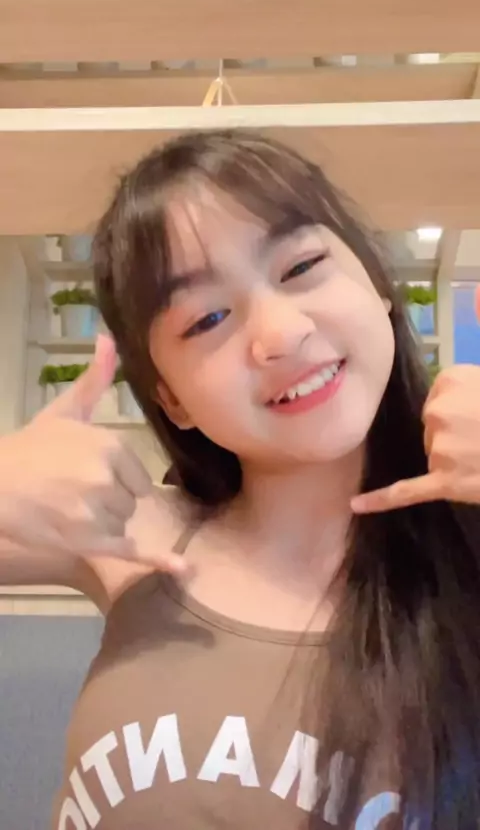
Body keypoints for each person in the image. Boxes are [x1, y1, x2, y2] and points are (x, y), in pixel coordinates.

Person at [1, 130, 480, 830]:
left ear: (379, 287)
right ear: (173, 399)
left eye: (302, 266)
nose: (280, 334)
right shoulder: (137, 539)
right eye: (208, 319)